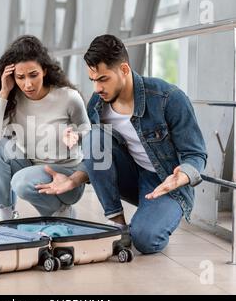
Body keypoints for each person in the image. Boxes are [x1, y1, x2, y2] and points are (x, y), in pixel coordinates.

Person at [42, 34, 207, 254]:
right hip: (129, 176)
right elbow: (97, 153)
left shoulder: (168, 98)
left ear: (125, 70)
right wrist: (73, 179)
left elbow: (196, 154)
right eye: (93, 80)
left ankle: (148, 219)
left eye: (103, 79)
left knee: (146, 240)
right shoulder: (97, 104)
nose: (97, 88)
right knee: (93, 136)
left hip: (166, 182)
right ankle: (118, 226)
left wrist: (183, 175)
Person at [0, 35, 90, 225]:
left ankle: (62, 211)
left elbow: (90, 138)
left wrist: (77, 136)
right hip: (31, 166)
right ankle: (4, 213)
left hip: (68, 175)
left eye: (33, 75)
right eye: (20, 77)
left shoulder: (69, 97)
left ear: (44, 71)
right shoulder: (13, 99)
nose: (28, 84)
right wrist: (3, 93)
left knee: (20, 181)